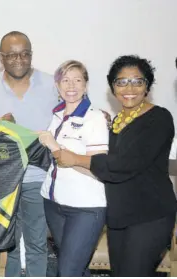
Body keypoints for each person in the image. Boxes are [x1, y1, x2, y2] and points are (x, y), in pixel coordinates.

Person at [49, 55, 177, 276]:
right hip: (118, 217)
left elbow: (124, 164)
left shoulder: (159, 118)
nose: (130, 88)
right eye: (121, 82)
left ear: (147, 85)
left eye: (138, 81)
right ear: (112, 87)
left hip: (150, 216)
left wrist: (76, 159)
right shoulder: (116, 121)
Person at [0, 31, 57, 277]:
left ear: (31, 55)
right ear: (1, 58)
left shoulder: (53, 84)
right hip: (3, 181)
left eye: (25, 54)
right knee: (7, 246)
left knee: (37, 244)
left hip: (38, 177)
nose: (19, 59)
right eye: (11, 55)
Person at [38, 60, 108, 276]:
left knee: (68, 271)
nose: (71, 85)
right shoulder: (57, 114)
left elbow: (97, 168)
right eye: (65, 80)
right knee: (75, 267)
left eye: (78, 80)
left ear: (86, 85)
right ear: (57, 86)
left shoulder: (95, 118)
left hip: (85, 208)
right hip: (53, 203)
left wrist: (55, 147)